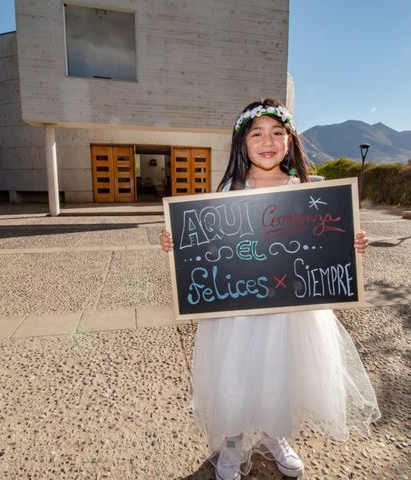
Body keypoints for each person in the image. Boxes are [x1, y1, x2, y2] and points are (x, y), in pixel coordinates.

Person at [159, 98, 380, 479]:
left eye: (277, 132)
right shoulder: (228, 190)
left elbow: (329, 238)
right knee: (236, 374)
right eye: (256, 133)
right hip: (238, 312)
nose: (268, 140)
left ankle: (275, 436)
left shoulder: (308, 189)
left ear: (290, 140)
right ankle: (231, 441)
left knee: (283, 373)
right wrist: (179, 241)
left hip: (293, 312)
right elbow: (211, 246)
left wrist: (352, 242)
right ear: (242, 143)